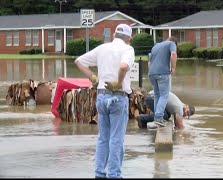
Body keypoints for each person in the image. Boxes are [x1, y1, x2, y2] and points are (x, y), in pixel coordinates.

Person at [74, 23, 134, 179]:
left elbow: (79, 61)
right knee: (116, 139)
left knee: (102, 138)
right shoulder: (127, 49)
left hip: (101, 96)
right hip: (118, 97)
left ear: (114, 35)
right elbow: (123, 67)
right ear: (129, 38)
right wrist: (119, 82)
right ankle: (114, 175)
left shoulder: (102, 48)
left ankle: (99, 173)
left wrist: (93, 78)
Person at [148, 36, 178, 127]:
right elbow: (173, 54)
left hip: (151, 73)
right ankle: (159, 117)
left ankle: (157, 118)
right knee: (164, 95)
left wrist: (152, 73)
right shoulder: (171, 43)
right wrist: (173, 68)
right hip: (162, 73)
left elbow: (149, 62)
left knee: (157, 95)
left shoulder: (155, 46)